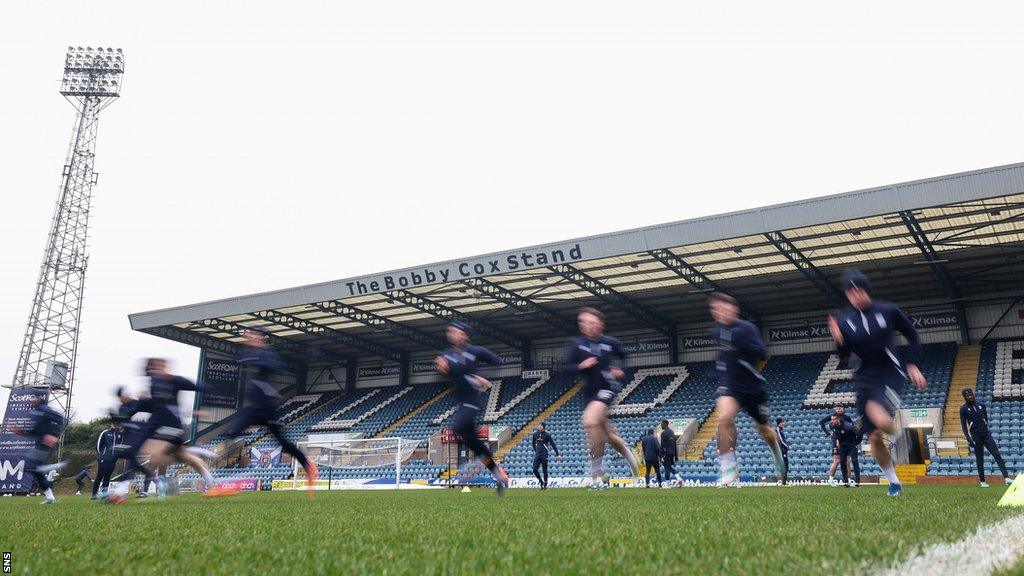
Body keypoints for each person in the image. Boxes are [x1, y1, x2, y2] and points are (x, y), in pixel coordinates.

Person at [827, 269, 926, 497]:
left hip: (890, 372)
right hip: (863, 377)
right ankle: (894, 482)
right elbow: (843, 356)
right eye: (850, 293)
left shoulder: (888, 310)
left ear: (866, 290)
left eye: (859, 290)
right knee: (873, 438)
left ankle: (901, 439)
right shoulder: (844, 319)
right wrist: (839, 341)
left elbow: (912, 334)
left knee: (875, 411)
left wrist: (912, 363)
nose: (855, 296)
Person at [217, 329, 319, 493]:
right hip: (257, 407)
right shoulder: (249, 353)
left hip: (266, 408)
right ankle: (224, 483)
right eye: (248, 335)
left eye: (253, 335)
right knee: (231, 433)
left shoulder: (266, 353)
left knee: (282, 443)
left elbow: (276, 365)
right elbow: (240, 360)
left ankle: (308, 465)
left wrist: (257, 360)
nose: (249, 338)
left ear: (260, 337)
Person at [708, 293, 787, 487]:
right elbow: (723, 357)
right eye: (715, 309)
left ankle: (777, 454)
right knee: (723, 418)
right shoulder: (718, 332)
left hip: (753, 387)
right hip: (731, 387)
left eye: (723, 308)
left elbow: (762, 354)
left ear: (734, 309)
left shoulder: (747, 329)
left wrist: (742, 349)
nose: (719, 312)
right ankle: (729, 469)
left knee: (764, 430)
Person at [564, 307, 639, 488]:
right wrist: (580, 366)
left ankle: (596, 473)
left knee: (589, 421)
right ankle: (632, 460)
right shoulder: (577, 344)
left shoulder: (610, 343)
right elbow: (565, 368)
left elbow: (625, 357)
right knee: (607, 434)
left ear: (600, 324)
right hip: (589, 393)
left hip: (607, 388)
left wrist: (621, 370)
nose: (587, 326)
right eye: (583, 323)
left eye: (591, 322)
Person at [435, 321, 510, 496]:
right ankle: (498, 474)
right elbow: (443, 372)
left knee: (457, 427)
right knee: (475, 444)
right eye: (450, 332)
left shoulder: (476, 351)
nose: (452, 334)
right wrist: (440, 367)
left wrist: (479, 377)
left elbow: (498, 361)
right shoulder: (446, 354)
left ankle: (481, 462)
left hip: (473, 400)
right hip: (461, 402)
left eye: (456, 332)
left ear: (465, 335)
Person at [134, 358, 218, 500]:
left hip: (172, 426)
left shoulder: (174, 380)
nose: (157, 370)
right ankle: (212, 485)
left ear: (165, 367)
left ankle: (168, 483)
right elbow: (155, 405)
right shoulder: (154, 382)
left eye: (160, 367)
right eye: (154, 368)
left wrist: (212, 390)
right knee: (185, 457)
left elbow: (196, 386)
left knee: (153, 455)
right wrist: (142, 400)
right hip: (162, 427)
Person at [14, 392, 65, 505]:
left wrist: (53, 435)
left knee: (32, 466)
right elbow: (35, 432)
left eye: (32, 397)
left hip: (47, 444)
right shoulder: (34, 412)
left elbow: (61, 419)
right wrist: (21, 432)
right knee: (33, 469)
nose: (29, 400)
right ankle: (50, 497)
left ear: (38, 399)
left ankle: (47, 468)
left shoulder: (44, 409)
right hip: (40, 443)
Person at [108, 386, 157, 499]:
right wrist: (117, 421)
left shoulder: (139, 404)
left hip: (146, 438)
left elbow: (153, 416)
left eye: (122, 396)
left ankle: (120, 493)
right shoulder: (121, 408)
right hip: (131, 440)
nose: (121, 400)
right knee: (138, 465)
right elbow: (124, 425)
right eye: (119, 398)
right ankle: (159, 484)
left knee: (135, 464)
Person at [960, 388, 1013, 487]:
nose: (970, 397)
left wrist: (985, 429)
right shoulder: (963, 409)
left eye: (971, 394)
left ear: (973, 394)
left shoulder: (981, 405)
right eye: (967, 396)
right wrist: (969, 439)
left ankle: (1006, 478)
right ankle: (983, 482)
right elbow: (964, 426)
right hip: (976, 437)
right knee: (980, 459)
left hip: (986, 434)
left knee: (997, 454)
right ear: (965, 397)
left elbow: (986, 419)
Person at [819, 404, 854, 485]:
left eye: (840, 408)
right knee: (837, 460)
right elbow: (821, 422)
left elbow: (852, 427)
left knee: (847, 461)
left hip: (846, 441)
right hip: (836, 440)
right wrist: (828, 434)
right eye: (837, 409)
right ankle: (830, 480)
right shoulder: (832, 416)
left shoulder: (847, 417)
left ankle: (848, 481)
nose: (838, 410)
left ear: (843, 409)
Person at [92, 422, 121, 499]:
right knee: (99, 476)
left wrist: (116, 456)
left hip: (113, 460)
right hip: (103, 459)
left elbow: (120, 446)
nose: (115, 424)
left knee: (107, 477)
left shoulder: (120, 434)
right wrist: (102, 455)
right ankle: (94, 495)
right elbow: (98, 446)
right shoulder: (105, 433)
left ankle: (104, 495)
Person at [831, 414, 861, 487]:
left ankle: (857, 482)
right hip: (842, 447)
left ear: (838, 420)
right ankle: (846, 482)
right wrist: (838, 441)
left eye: (834, 419)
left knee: (854, 461)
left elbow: (860, 433)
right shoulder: (832, 426)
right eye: (831, 419)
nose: (832, 421)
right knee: (843, 463)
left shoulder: (849, 426)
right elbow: (836, 434)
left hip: (852, 446)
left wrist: (857, 443)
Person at [530, 422, 560, 490]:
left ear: (543, 427)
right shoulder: (535, 434)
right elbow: (533, 443)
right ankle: (541, 481)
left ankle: (545, 484)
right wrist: (536, 451)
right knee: (534, 469)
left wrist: (557, 454)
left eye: (540, 426)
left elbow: (553, 444)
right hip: (537, 454)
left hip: (544, 454)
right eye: (539, 426)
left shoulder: (547, 435)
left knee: (544, 470)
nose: (539, 427)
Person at [660, 420, 683, 487]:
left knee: (667, 466)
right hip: (672, 452)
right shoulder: (672, 432)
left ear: (665, 424)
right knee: (667, 467)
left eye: (662, 424)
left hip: (666, 453)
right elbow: (674, 444)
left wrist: (661, 455)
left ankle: (675, 480)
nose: (661, 426)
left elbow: (662, 445)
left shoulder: (663, 433)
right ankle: (671, 482)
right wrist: (675, 456)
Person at [776, 418, 790, 485]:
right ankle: (783, 482)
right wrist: (787, 447)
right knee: (784, 466)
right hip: (781, 451)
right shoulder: (778, 430)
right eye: (783, 422)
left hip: (784, 451)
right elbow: (781, 441)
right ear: (780, 423)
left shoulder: (781, 430)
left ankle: (784, 482)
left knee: (786, 466)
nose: (784, 423)